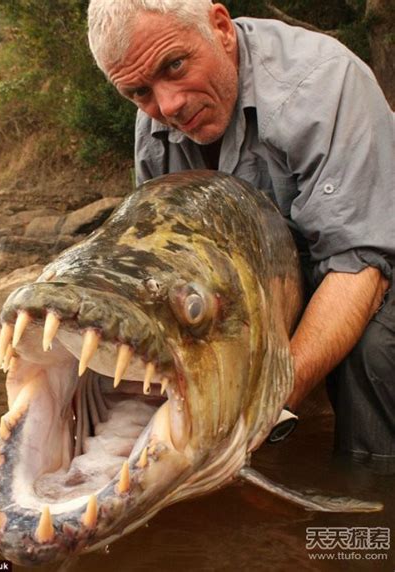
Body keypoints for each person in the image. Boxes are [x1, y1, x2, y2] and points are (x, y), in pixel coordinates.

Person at [87, 1, 395, 465]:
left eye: (175, 65)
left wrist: (258, 408)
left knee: (372, 354)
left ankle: (371, 504)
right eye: (138, 92)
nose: (168, 106)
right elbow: (165, 264)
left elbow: (361, 266)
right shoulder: (153, 125)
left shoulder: (323, 84)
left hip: (373, 255)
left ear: (220, 28)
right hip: (276, 276)